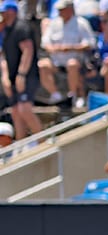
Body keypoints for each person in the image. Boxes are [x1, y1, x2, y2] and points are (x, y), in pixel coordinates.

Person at [38, 0, 97, 109]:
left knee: (72, 64)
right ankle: (56, 95)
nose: (60, 12)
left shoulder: (81, 23)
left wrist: (71, 48)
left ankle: (73, 96)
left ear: (70, 9)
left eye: (62, 10)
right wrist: (53, 48)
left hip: (76, 61)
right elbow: (45, 42)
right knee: (43, 64)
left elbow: (90, 43)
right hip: (56, 62)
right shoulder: (54, 23)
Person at [0, 0, 43, 141]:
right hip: (13, 77)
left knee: (25, 109)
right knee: (16, 112)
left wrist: (21, 74)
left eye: (3, 11)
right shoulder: (6, 30)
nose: (2, 14)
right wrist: (5, 77)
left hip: (27, 76)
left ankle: (43, 142)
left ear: (11, 11)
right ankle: (20, 146)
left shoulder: (21, 27)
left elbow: (28, 51)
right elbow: (4, 56)